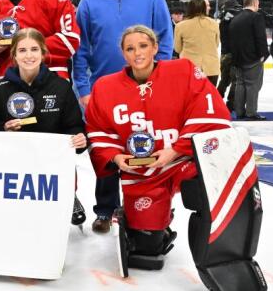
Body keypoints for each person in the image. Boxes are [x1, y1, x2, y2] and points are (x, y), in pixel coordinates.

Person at [85, 25, 232, 273]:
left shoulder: (183, 71)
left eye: (143, 46)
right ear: (123, 53)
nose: (137, 53)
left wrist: (175, 150)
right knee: (146, 253)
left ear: (155, 47)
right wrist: (116, 157)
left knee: (211, 186)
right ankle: (151, 225)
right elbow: (98, 129)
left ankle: (223, 251)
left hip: (182, 160)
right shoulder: (105, 87)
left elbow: (212, 113)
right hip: (141, 173)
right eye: (130, 48)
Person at [72, 0, 173, 234]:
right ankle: (105, 210)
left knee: (144, 147)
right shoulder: (89, 2)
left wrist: (157, 82)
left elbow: (165, 42)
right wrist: (83, 89)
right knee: (105, 151)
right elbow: (80, 49)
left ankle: (143, 208)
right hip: (102, 92)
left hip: (143, 89)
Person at [0, 28, 88, 225]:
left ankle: (69, 195)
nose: (28, 56)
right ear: (14, 54)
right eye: (22, 50)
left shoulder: (61, 86)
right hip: (12, 166)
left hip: (51, 168)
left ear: (43, 53)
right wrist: (3, 128)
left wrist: (80, 139)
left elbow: (74, 126)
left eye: (34, 49)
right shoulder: (0, 89)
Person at [228, 0, 269, 120]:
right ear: (255, 3)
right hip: (253, 58)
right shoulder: (256, 17)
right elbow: (260, 37)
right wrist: (263, 54)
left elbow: (231, 39)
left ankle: (239, 112)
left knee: (240, 84)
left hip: (238, 58)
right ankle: (251, 113)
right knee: (252, 85)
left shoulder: (235, 18)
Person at [173, 0, 221, 86]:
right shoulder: (214, 23)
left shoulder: (180, 26)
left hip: (190, 69)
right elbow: (217, 44)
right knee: (209, 94)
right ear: (204, 8)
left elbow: (177, 49)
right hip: (211, 68)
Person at [217, 0, 242, 107]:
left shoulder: (223, 20)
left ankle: (217, 100)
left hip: (224, 54)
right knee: (235, 80)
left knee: (224, 80)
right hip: (233, 54)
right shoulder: (231, 20)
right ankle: (231, 103)